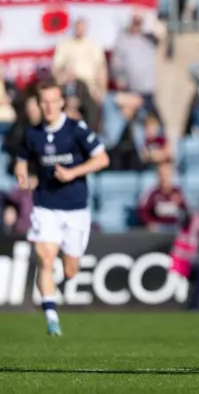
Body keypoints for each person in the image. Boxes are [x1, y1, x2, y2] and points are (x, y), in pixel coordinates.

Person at [14, 79, 110, 336]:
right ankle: (51, 318)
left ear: (61, 102)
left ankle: (57, 283)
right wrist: (22, 175)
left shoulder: (76, 129)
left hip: (75, 208)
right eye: (43, 102)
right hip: (45, 205)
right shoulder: (32, 134)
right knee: (45, 259)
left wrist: (72, 173)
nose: (48, 107)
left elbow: (102, 159)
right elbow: (21, 161)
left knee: (70, 270)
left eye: (52, 101)